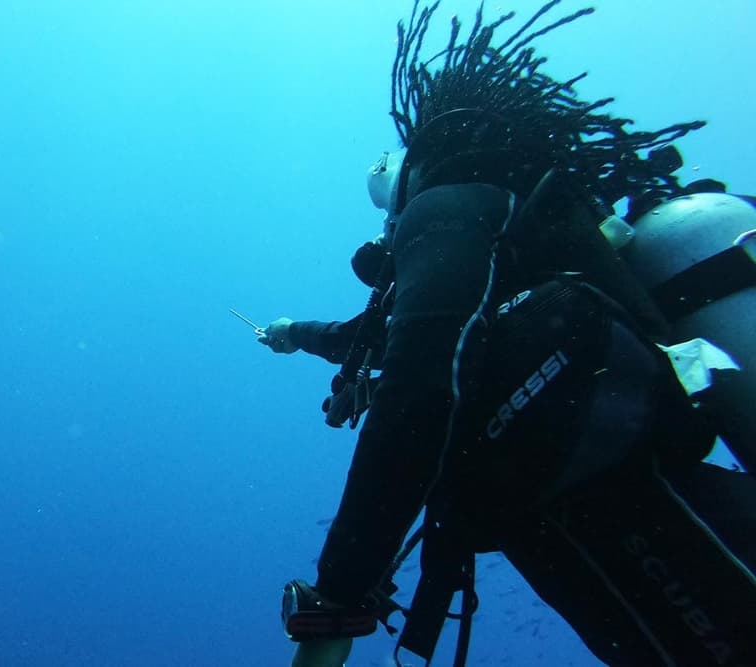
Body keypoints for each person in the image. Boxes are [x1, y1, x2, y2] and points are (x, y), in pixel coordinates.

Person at [260, 2, 756, 666]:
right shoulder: (516, 231)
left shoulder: (445, 203)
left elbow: (419, 383)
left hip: (628, 530)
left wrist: (336, 606)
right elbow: (371, 338)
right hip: (624, 503)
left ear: (406, 172)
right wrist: (293, 332)